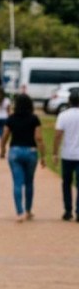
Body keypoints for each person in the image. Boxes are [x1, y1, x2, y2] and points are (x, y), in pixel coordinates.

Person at [0, 93, 44, 222]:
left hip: (15, 151)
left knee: (17, 183)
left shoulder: (11, 118)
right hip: (31, 152)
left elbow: (5, 135)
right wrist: (43, 156)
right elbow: (39, 138)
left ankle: (20, 212)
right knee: (29, 183)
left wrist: (2, 149)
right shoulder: (34, 119)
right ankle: (28, 210)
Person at [51, 89, 79, 222]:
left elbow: (57, 136)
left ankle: (68, 211)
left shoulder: (63, 115)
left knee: (66, 183)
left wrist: (55, 153)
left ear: (69, 101)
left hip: (67, 154)